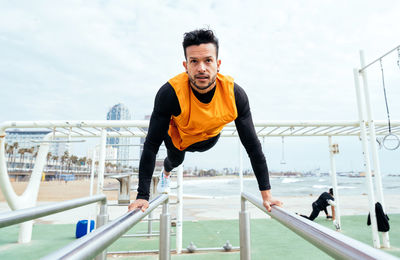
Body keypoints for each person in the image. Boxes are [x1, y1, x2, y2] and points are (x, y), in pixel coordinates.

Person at [128, 28, 281, 213]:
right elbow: (151, 144)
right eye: (194, 61)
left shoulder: (235, 95)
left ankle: (169, 169)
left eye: (208, 60)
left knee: (227, 143)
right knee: (174, 160)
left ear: (218, 64)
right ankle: (166, 173)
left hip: (209, 139)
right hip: (179, 141)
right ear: (185, 66)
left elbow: (253, 147)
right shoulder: (170, 93)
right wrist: (142, 196)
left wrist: (267, 196)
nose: (201, 68)